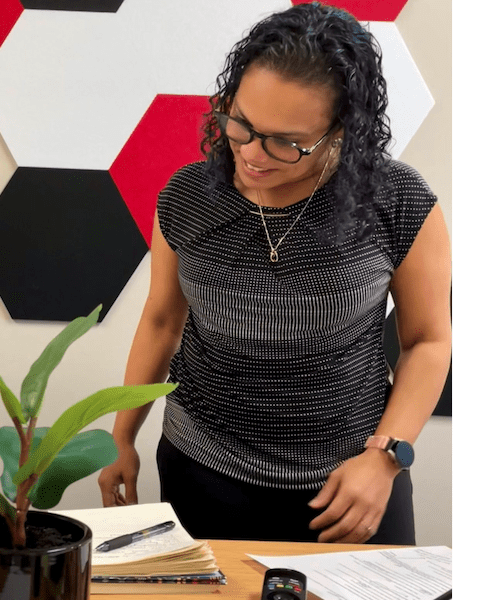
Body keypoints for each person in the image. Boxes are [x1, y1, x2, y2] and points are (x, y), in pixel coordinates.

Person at [97, 3, 451, 546]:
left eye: (285, 141)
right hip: (203, 469)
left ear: (342, 132)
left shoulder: (397, 201)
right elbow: (163, 320)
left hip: (353, 481)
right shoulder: (187, 198)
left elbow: (427, 341)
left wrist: (385, 459)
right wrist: (122, 437)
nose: (251, 154)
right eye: (240, 123)